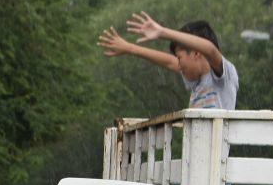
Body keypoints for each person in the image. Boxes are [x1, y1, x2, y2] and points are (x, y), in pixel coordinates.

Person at [98, 12, 239, 111]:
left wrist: (163, 32)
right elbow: (169, 62)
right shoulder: (197, 81)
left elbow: (210, 50)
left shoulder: (223, 76)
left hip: (213, 153)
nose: (178, 64)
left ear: (196, 53)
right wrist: (129, 48)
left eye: (180, 58)